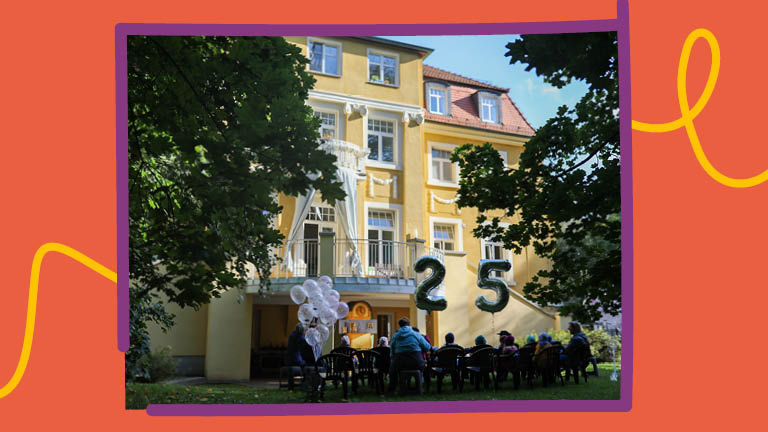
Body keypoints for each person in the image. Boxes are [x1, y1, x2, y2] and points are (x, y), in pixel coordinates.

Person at [387, 317, 431, 393]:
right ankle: (422, 387)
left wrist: (393, 357)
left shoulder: (396, 335)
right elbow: (427, 347)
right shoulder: (416, 334)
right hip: (416, 363)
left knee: (392, 369)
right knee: (424, 366)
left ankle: (392, 389)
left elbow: (392, 349)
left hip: (401, 363)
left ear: (399, 325)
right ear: (409, 324)